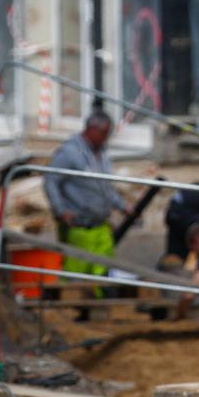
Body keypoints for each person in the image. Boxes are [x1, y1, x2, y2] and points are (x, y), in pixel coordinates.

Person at [44, 111, 131, 278]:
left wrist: (122, 205)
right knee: (77, 276)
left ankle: (101, 294)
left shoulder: (102, 154)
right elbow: (51, 180)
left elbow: (105, 186)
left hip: (101, 226)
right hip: (79, 228)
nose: (105, 138)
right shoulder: (70, 152)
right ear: (91, 129)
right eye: (103, 133)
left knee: (103, 274)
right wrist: (60, 210)